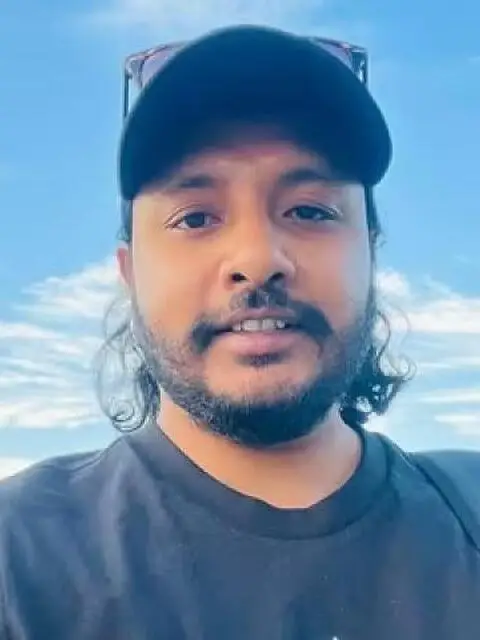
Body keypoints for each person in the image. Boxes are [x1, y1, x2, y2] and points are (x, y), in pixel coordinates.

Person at [0, 24, 479, 640]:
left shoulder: (468, 512)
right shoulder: (20, 561)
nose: (257, 258)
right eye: (195, 218)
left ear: (370, 254)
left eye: (310, 210)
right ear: (130, 273)